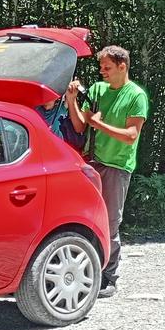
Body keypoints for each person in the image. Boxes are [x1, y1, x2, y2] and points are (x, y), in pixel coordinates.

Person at [68, 45, 149, 297]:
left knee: (110, 223)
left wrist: (98, 123)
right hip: (92, 163)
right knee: (84, 219)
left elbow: (131, 136)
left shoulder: (136, 95)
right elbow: (81, 127)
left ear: (122, 67)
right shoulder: (97, 90)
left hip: (117, 166)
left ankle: (110, 277)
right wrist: (72, 101)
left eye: (107, 67)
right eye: (101, 67)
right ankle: (88, 272)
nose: (101, 71)